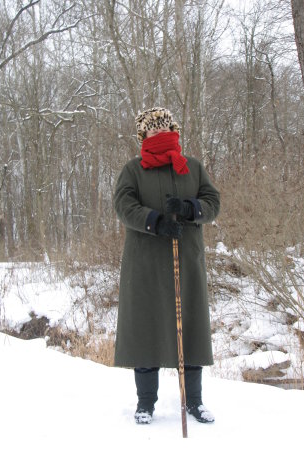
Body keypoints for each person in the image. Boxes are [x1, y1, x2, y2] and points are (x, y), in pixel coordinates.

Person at [114, 107, 220, 425]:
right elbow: (123, 205)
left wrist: (191, 209)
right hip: (144, 266)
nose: (159, 134)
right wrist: (154, 221)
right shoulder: (133, 170)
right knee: (145, 331)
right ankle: (145, 403)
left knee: (189, 331)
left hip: (185, 263)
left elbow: (213, 202)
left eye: (164, 129)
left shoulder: (193, 168)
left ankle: (194, 402)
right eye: (153, 130)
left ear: (173, 130)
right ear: (143, 135)